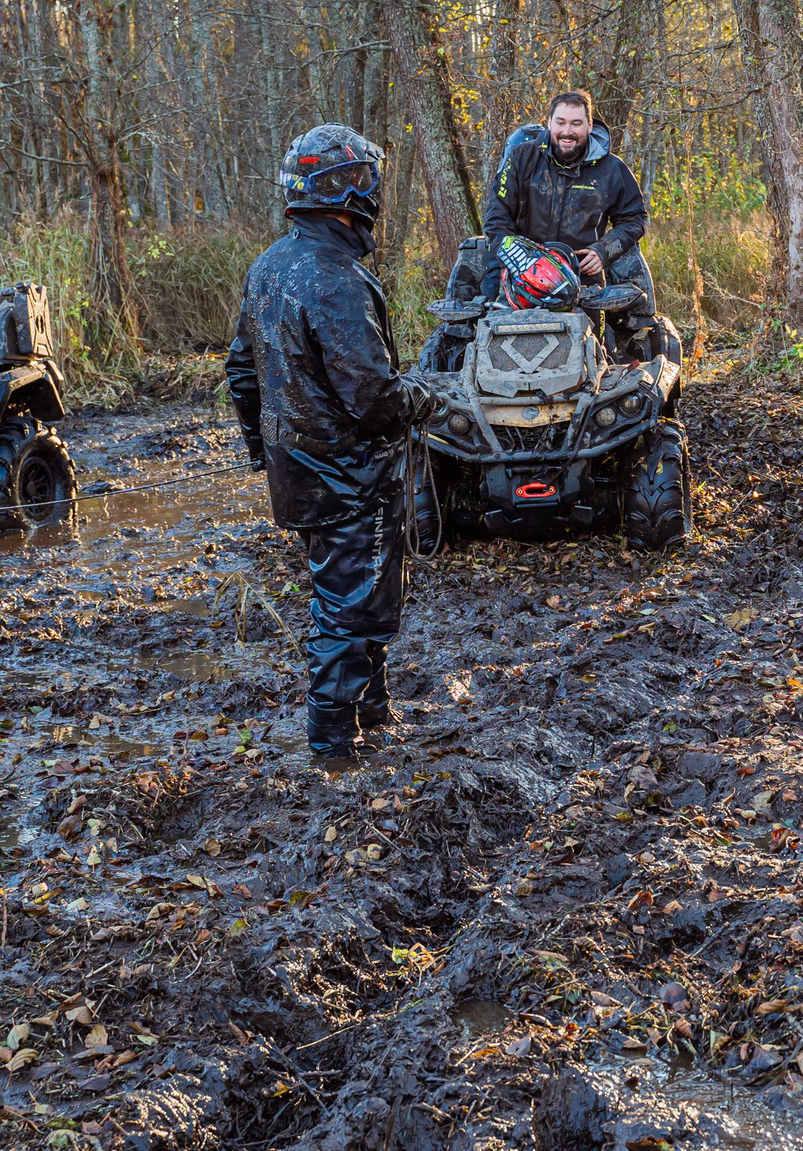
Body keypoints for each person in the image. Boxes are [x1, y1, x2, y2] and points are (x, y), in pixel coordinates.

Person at [225, 124, 440, 758]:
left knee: (360, 595)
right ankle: (333, 742)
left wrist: (265, 448)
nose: (372, 190)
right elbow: (373, 399)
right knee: (350, 609)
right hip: (350, 476)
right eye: (363, 180)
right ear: (346, 194)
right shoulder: (335, 279)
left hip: (304, 471)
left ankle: (371, 711)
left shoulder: (270, 266)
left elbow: (241, 370)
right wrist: (423, 396)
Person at [467, 90, 663, 357]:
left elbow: (634, 219)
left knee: (594, 354)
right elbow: (496, 217)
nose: (567, 131)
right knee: (499, 349)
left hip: (583, 279)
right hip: (520, 275)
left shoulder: (611, 169)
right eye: (561, 122)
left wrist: (603, 251)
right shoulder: (521, 158)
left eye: (576, 123)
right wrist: (515, 253)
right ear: (549, 123)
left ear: (589, 125)